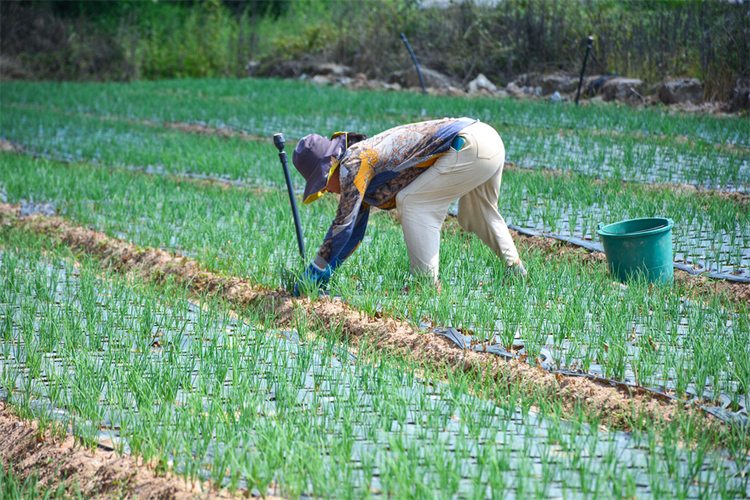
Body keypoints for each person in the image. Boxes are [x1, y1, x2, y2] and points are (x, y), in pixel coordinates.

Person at [291, 117, 526, 295]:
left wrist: (315, 270)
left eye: (323, 184)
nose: (328, 191)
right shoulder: (359, 169)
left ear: (331, 168)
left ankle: (425, 286)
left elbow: (343, 224)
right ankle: (516, 273)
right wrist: (328, 271)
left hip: (468, 145)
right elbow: (353, 233)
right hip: (487, 137)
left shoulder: (353, 162)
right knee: (478, 211)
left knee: (412, 202)